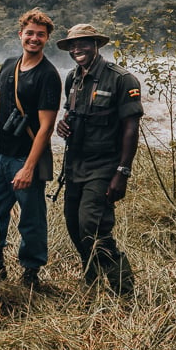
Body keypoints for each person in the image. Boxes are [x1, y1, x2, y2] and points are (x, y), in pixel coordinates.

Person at [55, 24, 142, 296]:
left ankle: (124, 290)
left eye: (83, 43)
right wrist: (63, 125)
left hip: (104, 166)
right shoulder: (72, 78)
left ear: (96, 45)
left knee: (92, 227)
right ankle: (91, 281)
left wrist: (122, 172)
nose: (77, 49)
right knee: (73, 223)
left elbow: (131, 128)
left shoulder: (121, 79)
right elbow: (71, 113)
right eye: (72, 45)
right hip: (75, 165)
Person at [0, 9, 61, 288]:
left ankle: (31, 271)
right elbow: (1, 104)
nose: (34, 38)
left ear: (47, 38)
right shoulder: (9, 65)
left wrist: (28, 168)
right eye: (30, 33)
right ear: (20, 34)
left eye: (40, 34)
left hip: (26, 158)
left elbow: (46, 127)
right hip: (0, 154)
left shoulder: (48, 75)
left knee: (31, 218)